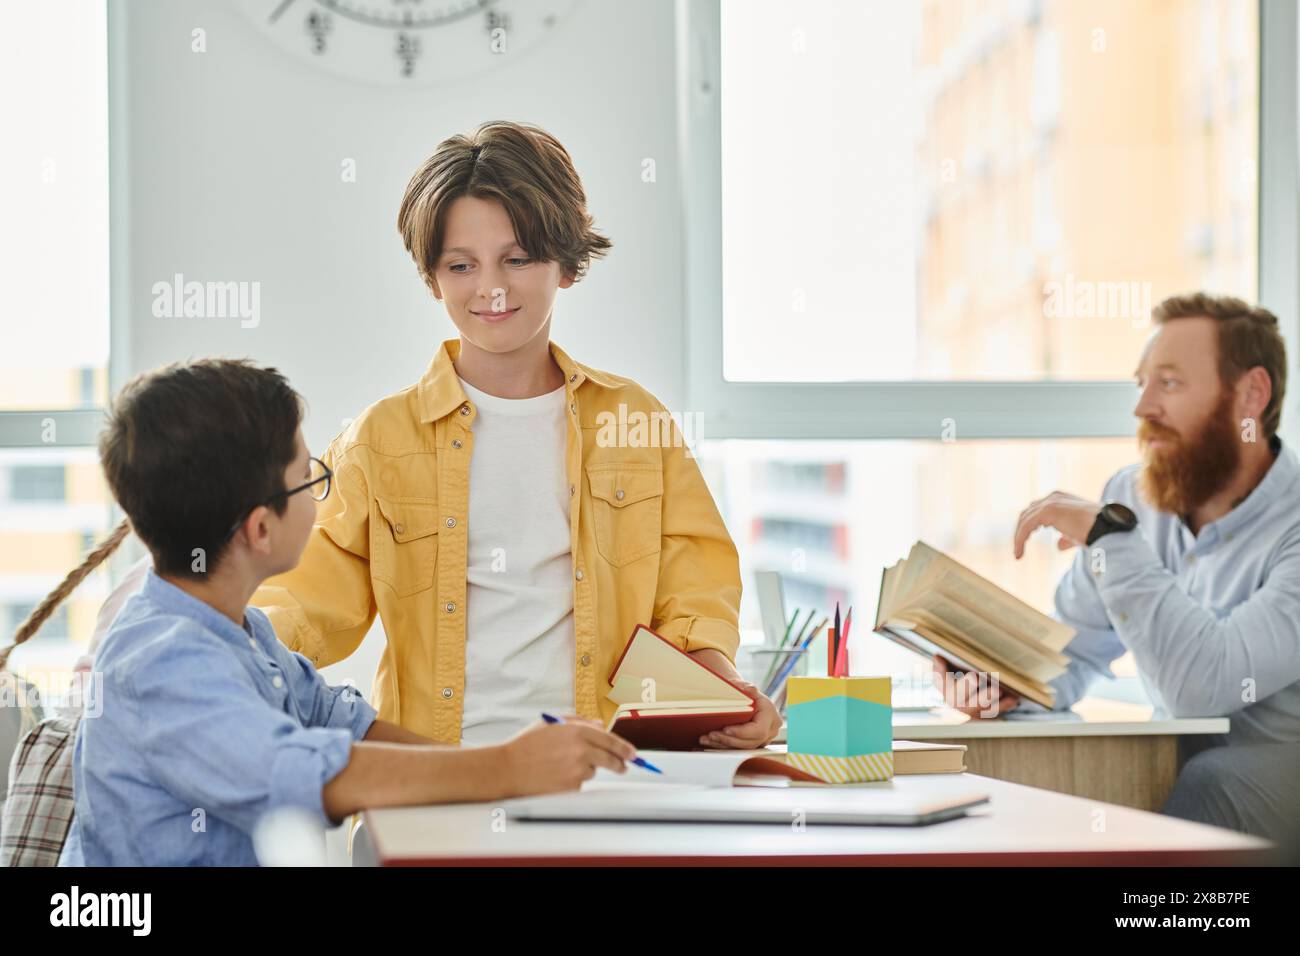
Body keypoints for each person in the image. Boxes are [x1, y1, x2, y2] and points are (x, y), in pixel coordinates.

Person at [26, 359, 636, 866]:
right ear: (261, 529)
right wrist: (507, 767)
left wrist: (524, 765)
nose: (322, 495)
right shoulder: (161, 660)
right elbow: (305, 774)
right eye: (308, 479)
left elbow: (346, 726)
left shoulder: (244, 631)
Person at [935, 292, 1300, 845]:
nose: (1143, 407)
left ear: (1251, 394)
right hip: (1168, 771)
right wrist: (1005, 682)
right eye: (1141, 383)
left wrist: (1112, 539)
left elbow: (1205, 686)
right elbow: (1076, 653)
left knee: (1211, 781)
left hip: (1276, 781)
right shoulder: (1132, 493)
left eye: (1170, 383)